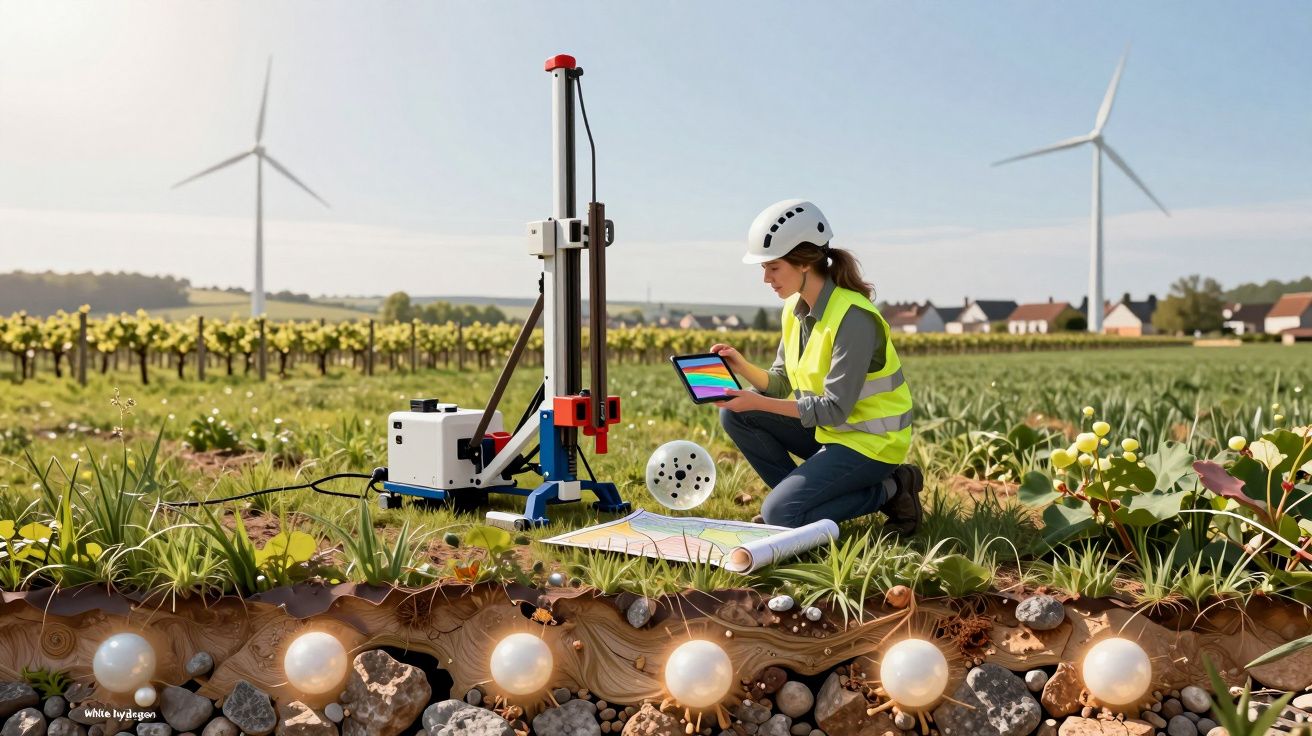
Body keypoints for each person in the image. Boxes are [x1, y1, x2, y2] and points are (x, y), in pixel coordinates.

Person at [711, 199, 924, 531]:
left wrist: (759, 402)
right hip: (830, 432)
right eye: (763, 268)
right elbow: (781, 382)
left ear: (805, 262)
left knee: (781, 515)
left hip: (870, 443)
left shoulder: (853, 318)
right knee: (736, 412)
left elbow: (834, 409)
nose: (766, 278)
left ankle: (892, 488)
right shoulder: (794, 308)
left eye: (773, 267)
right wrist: (742, 367)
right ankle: (794, 505)